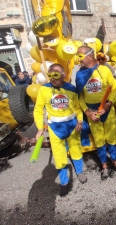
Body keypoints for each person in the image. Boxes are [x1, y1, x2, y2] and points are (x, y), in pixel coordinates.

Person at [34, 64, 87, 197]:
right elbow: (38, 109)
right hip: (55, 128)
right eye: (50, 76)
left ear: (63, 75)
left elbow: (78, 108)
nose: (52, 79)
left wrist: (80, 121)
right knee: (59, 156)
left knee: (76, 150)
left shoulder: (71, 89)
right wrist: (40, 128)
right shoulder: (44, 90)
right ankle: (64, 182)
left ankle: (79, 172)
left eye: (56, 75)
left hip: (72, 126)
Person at [76, 46, 116, 180]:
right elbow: (79, 97)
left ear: (89, 56)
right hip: (92, 112)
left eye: (80, 56)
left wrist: (109, 104)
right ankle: (104, 166)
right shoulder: (80, 74)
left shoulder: (104, 70)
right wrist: (88, 113)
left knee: (111, 138)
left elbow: (114, 88)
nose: (77, 59)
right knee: (99, 140)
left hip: (107, 111)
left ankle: (115, 163)